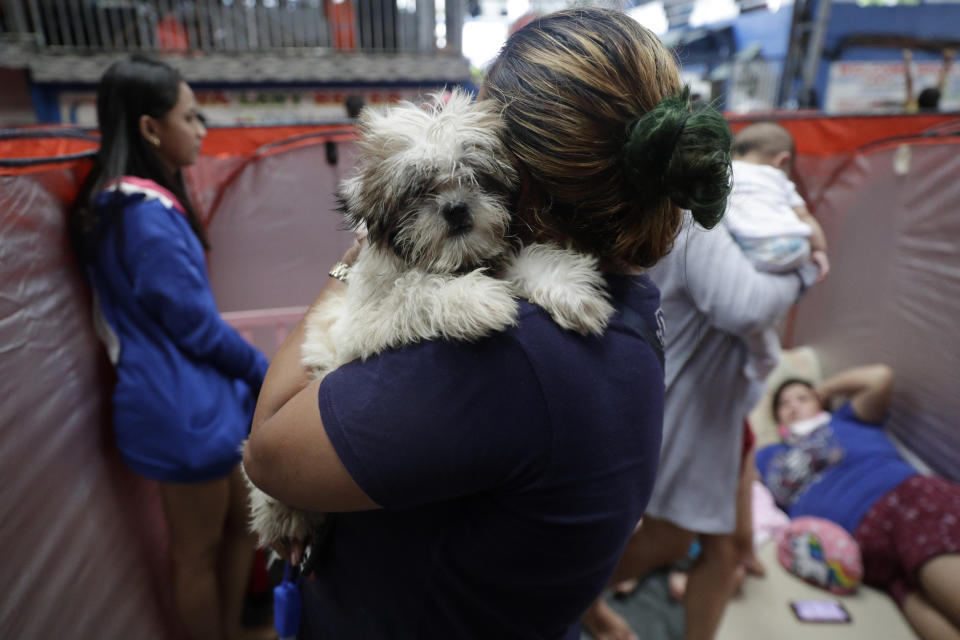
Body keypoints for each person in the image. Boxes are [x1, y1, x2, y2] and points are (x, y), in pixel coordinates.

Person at [242, 8, 733, 638]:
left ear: (518, 170)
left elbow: (268, 455)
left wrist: (346, 266)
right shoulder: (628, 296)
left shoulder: (507, 352)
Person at [582, 151, 822, 638]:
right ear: (778, 163)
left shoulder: (739, 214)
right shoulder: (699, 216)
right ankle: (573, 602)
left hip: (725, 400)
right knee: (670, 536)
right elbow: (745, 307)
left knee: (731, 544)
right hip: (692, 401)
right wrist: (810, 271)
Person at [69, 55, 269, 640]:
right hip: (181, 411)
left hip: (201, 402)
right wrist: (267, 372)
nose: (202, 127)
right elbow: (196, 330)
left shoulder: (128, 206)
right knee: (196, 553)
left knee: (241, 529)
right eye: (191, 115)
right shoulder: (141, 217)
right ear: (151, 129)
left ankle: (231, 629)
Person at [757, 365, 960, 640]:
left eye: (801, 398)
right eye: (784, 404)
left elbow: (880, 377)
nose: (792, 405)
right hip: (862, 552)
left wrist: (823, 390)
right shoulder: (768, 456)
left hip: (903, 503)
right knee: (915, 602)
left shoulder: (845, 420)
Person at [726, 121, 829, 406]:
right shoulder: (780, 180)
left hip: (748, 247)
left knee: (753, 321)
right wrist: (819, 250)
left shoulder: (724, 173)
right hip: (790, 248)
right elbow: (805, 218)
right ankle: (765, 362)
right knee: (769, 317)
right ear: (783, 160)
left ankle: (759, 360)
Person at [903, 48, 955, 113]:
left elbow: (909, 86)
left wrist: (907, 61)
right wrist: (947, 61)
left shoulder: (912, 109)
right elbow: (940, 85)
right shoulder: (939, 116)